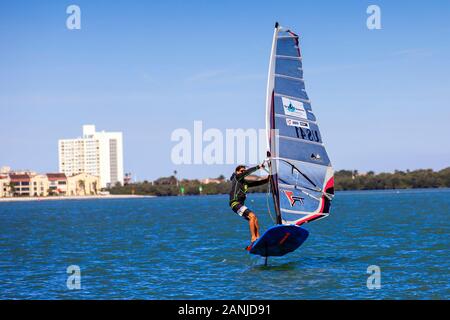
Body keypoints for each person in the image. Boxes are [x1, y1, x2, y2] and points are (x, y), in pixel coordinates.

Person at [229, 162, 269, 250]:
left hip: (239, 205)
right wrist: (258, 167)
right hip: (235, 203)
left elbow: (257, 183)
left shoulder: (244, 183)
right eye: (241, 171)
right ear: (237, 172)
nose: (243, 172)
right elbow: (246, 173)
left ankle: (257, 237)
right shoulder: (237, 178)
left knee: (255, 218)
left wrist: (268, 179)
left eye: (244, 171)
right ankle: (253, 237)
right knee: (252, 216)